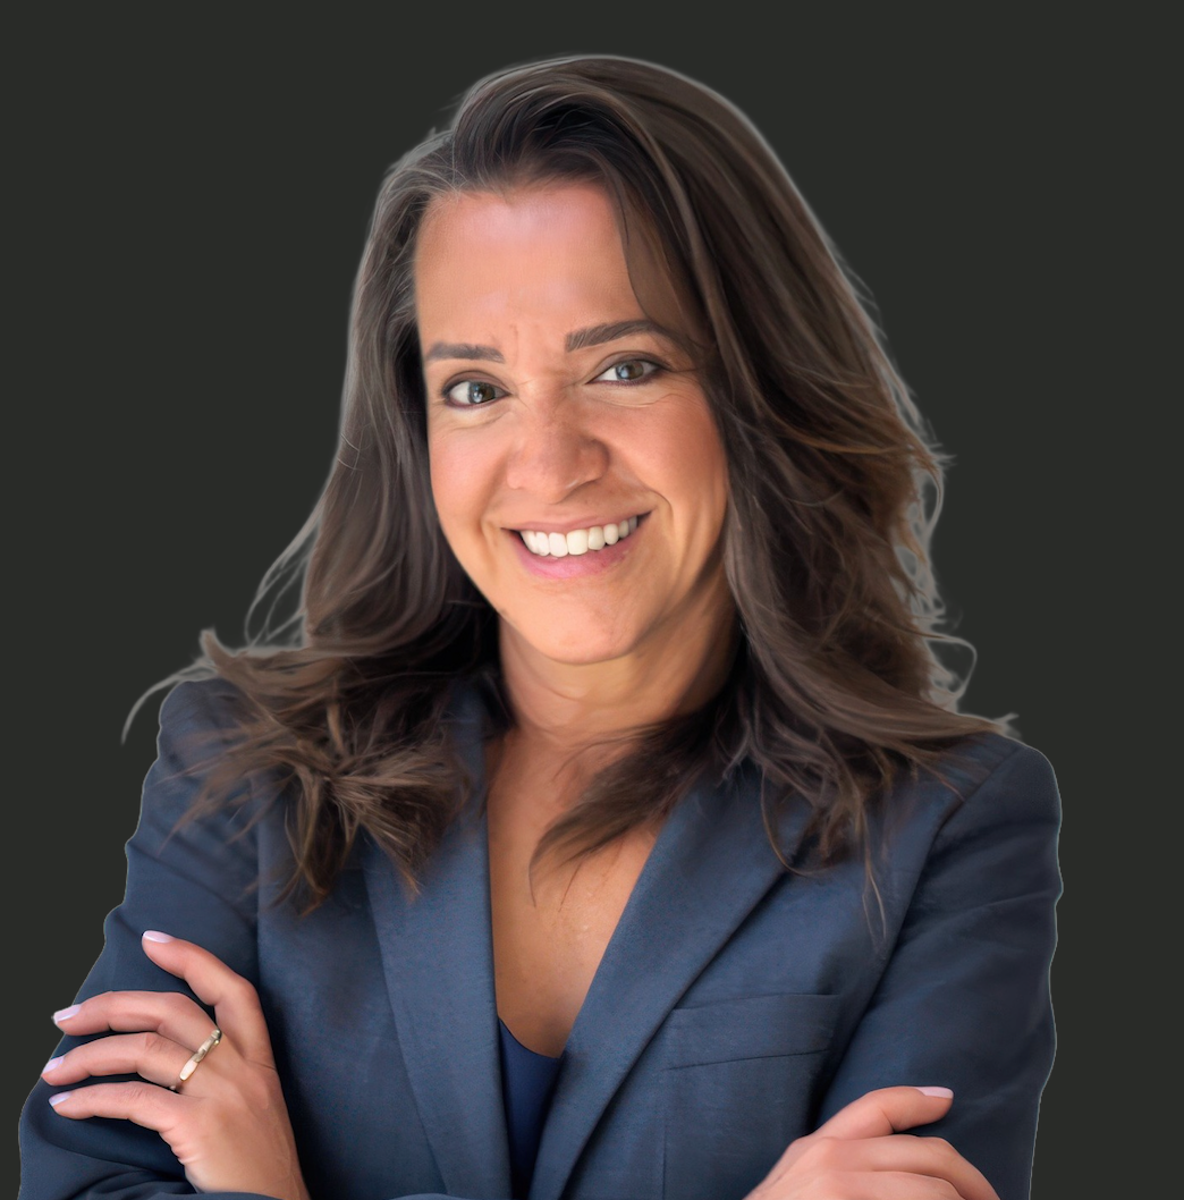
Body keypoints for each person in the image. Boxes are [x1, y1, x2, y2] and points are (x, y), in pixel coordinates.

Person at [18, 53, 1061, 1200]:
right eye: (474, 388)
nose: (549, 463)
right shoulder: (244, 771)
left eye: (623, 366)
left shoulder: (951, 829)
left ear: (756, 391)